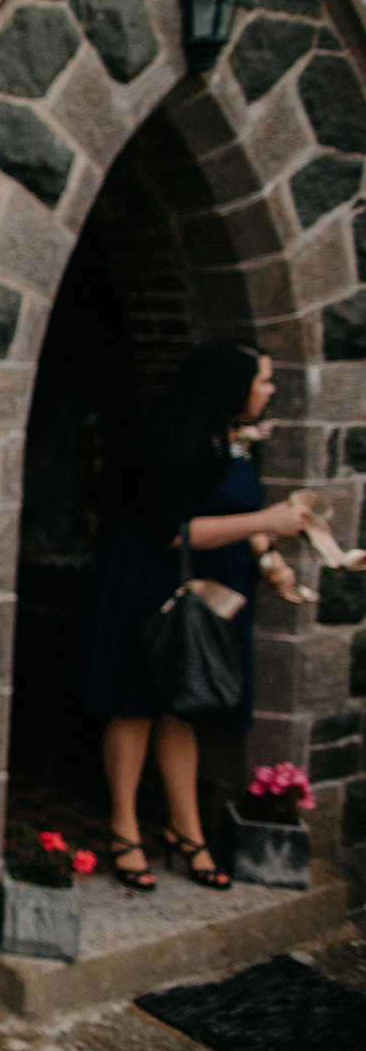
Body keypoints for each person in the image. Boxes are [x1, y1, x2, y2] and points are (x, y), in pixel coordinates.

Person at [84, 340, 311, 892]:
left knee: (185, 704)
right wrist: (268, 520)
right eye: (263, 381)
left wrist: (268, 558)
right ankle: (124, 828)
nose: (271, 390)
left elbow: (242, 515)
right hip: (154, 580)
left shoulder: (238, 442)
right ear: (230, 387)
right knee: (136, 700)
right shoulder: (173, 442)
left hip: (213, 585)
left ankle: (187, 829)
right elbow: (169, 531)